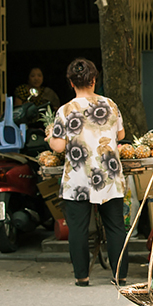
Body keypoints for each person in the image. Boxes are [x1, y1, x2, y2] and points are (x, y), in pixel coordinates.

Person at [46, 58, 128, 286]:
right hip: (109, 174)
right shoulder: (111, 105)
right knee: (115, 227)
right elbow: (120, 136)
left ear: (71, 83)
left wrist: (49, 139)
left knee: (79, 228)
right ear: (94, 80)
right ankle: (119, 275)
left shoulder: (65, 110)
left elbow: (60, 146)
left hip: (78, 177)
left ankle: (82, 276)